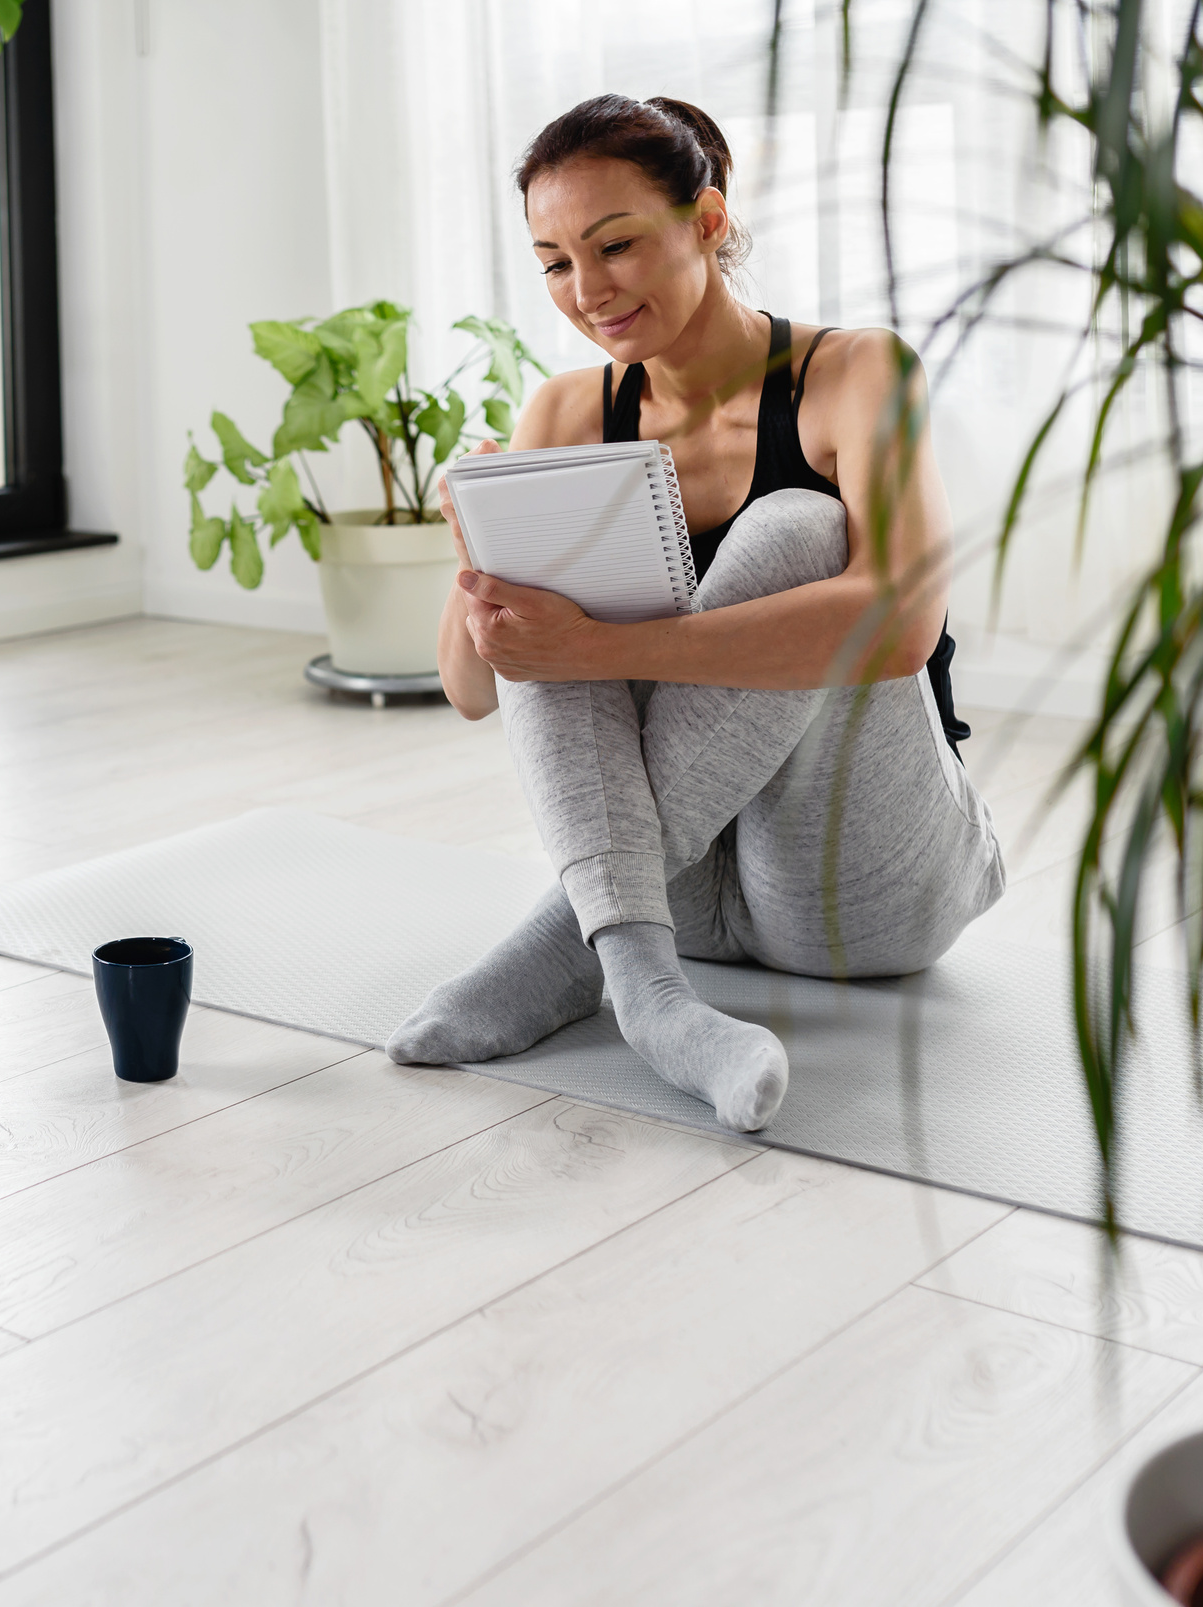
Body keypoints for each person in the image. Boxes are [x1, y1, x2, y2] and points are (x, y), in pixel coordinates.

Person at [386, 93, 1005, 1132]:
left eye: (614, 244)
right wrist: (486, 552)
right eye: (551, 261)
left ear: (708, 223)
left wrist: (604, 644)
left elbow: (898, 627)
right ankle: (647, 992)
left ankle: (558, 952)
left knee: (796, 530)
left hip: (861, 890)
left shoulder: (854, 373)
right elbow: (467, 690)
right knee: (544, 582)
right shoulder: (570, 410)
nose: (586, 291)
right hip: (669, 895)